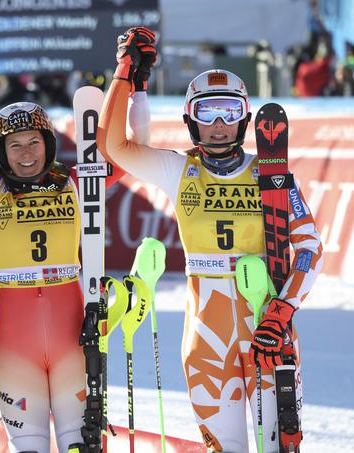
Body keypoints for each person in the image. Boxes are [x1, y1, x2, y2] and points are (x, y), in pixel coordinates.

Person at [0, 20, 150, 453]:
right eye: (14, 145)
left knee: (84, 448)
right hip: (14, 343)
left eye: (33, 142)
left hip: (74, 338)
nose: (25, 153)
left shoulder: (80, 183)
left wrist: (136, 83)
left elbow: (135, 147)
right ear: (1, 152)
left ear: (48, 144)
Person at [96, 27, 324, 452]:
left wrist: (283, 310)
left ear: (244, 117)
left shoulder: (271, 173)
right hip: (206, 337)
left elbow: (310, 247)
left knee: (280, 448)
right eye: (207, 112)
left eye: (228, 110)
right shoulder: (179, 170)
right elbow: (112, 146)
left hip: (267, 328)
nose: (218, 124)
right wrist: (126, 74)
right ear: (190, 119)